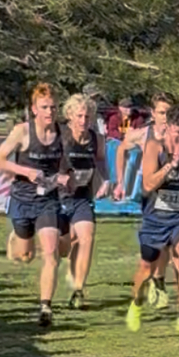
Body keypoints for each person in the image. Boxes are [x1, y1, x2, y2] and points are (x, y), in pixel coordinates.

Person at [0, 83, 71, 327]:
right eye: (44, 107)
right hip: (22, 198)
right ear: (34, 110)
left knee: (51, 254)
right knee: (25, 255)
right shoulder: (22, 131)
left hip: (47, 200)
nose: (50, 112)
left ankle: (45, 307)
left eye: (53, 107)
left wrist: (65, 176)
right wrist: (25, 171)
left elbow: (68, 164)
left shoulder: (63, 134)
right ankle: (16, 240)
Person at [125, 105, 179, 335]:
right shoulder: (155, 147)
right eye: (178, 132)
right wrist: (171, 164)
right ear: (169, 128)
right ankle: (136, 304)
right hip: (156, 217)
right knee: (145, 267)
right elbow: (148, 184)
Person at [113, 93, 174, 310]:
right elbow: (121, 149)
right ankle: (155, 280)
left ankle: (159, 281)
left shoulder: (177, 134)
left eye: (168, 112)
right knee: (155, 241)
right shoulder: (142, 134)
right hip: (150, 191)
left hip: (172, 192)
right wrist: (120, 182)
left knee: (167, 241)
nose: (165, 117)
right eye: (161, 112)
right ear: (152, 113)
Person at [58, 94, 111, 310]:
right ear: (69, 116)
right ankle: (69, 265)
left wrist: (106, 180)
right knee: (64, 246)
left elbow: (100, 160)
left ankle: (79, 290)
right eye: (79, 116)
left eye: (87, 116)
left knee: (86, 237)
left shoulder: (96, 138)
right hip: (58, 196)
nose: (83, 120)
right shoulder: (60, 136)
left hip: (82, 196)